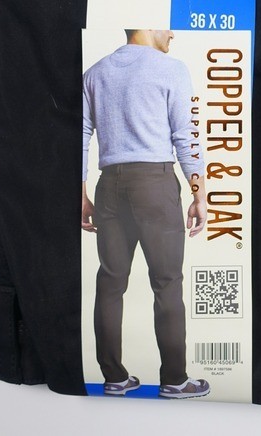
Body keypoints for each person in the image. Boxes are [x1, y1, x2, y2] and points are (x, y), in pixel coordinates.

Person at [81, 29, 210, 399]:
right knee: (166, 283)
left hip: (109, 186)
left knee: (110, 282)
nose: (172, 33)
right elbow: (186, 136)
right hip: (154, 185)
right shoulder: (171, 69)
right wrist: (199, 194)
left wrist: (81, 193)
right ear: (146, 25)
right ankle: (175, 381)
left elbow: (80, 135)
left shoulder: (95, 73)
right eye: (166, 26)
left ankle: (114, 378)